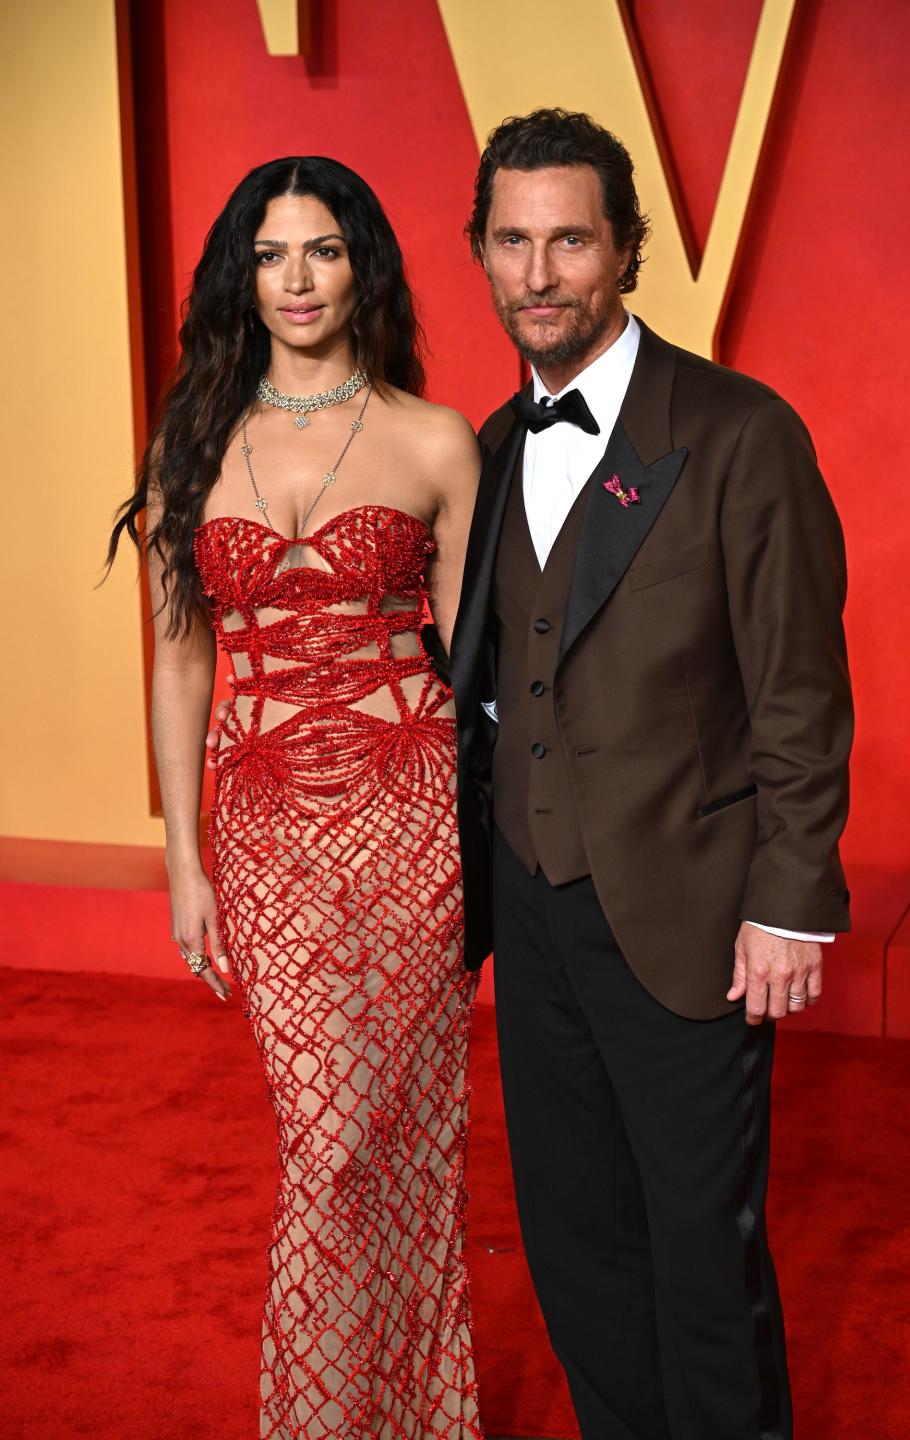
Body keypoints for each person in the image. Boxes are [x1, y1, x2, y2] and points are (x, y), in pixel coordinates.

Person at [449, 110, 853, 1440]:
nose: (541, 273)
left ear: (627, 250)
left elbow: (799, 688)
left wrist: (790, 901)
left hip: (691, 908)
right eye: (513, 241)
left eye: (570, 238)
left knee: (699, 1257)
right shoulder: (489, 448)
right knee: (578, 1250)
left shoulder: (740, 433)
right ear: (483, 255)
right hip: (536, 907)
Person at [108, 156, 483, 1440]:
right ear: (241, 276)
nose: (298, 279)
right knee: (327, 1147)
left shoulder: (435, 439)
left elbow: (480, 671)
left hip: (413, 820)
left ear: (361, 263)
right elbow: (178, 659)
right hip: (265, 832)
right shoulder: (192, 442)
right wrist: (186, 862)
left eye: (321, 250)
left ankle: (419, 1420)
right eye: (271, 255)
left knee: (406, 1144)